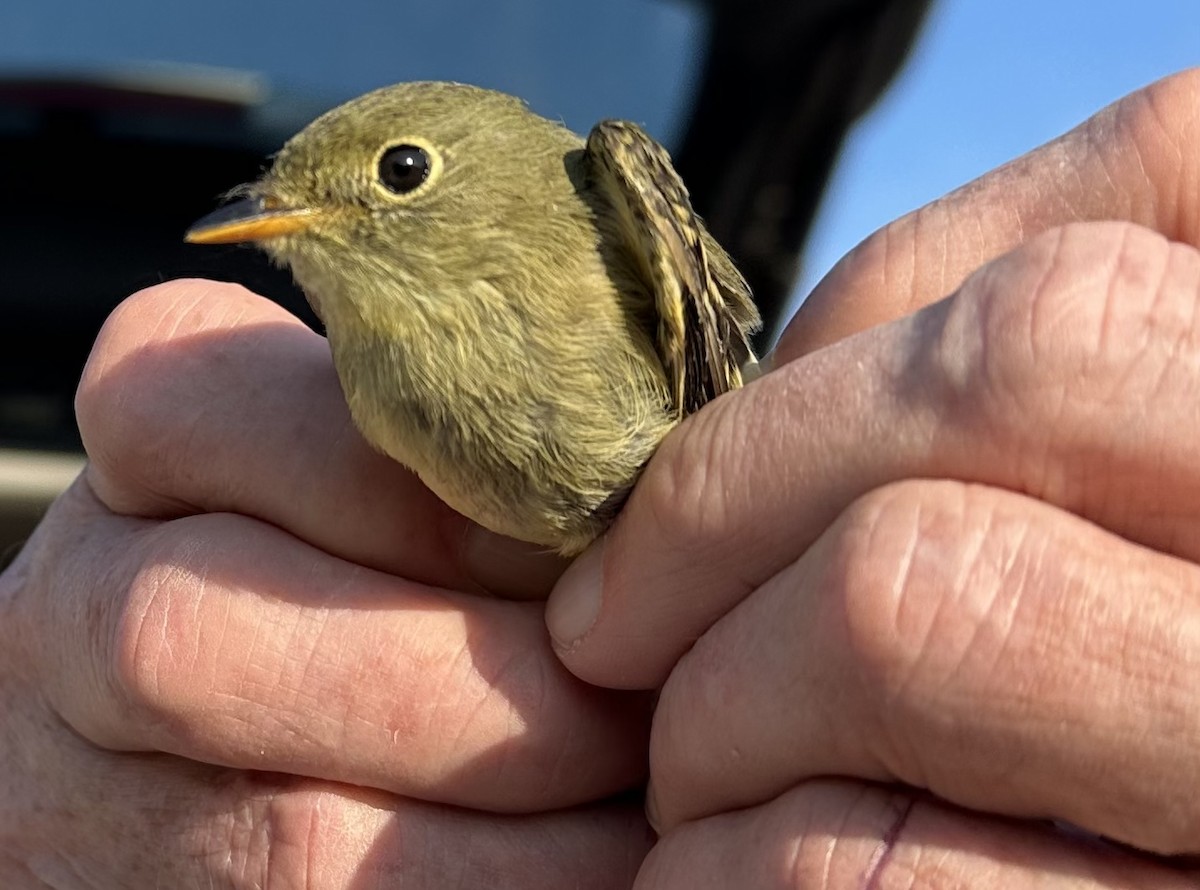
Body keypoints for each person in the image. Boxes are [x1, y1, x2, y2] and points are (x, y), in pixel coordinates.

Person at [4, 67, 1200, 888]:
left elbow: (727, 395)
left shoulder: (605, 187)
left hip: (726, 649)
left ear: (476, 173)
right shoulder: (358, 378)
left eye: (400, 172)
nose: (304, 215)